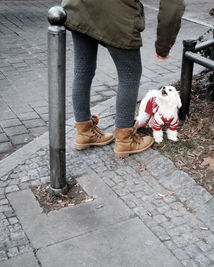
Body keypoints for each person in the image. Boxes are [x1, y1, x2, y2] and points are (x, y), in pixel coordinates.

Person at [61, 0, 185, 158]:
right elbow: (172, 5)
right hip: (117, 14)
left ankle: (84, 132)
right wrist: (163, 47)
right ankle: (125, 141)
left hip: (79, 5)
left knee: (83, 68)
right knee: (130, 74)